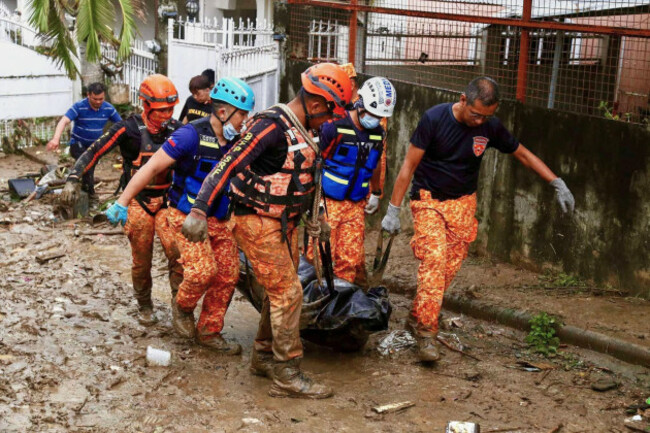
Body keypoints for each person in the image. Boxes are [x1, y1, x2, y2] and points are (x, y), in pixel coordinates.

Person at [181, 63, 352, 399]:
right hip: (256, 220)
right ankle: (287, 371)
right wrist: (199, 209)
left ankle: (263, 356)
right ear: (317, 104)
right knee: (289, 294)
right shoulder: (270, 126)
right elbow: (228, 163)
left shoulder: (308, 129)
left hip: (283, 222)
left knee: (280, 292)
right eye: (330, 113)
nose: (331, 121)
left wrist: (318, 214)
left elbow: (307, 176)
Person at [381, 77, 575, 362]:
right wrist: (392, 210)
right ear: (463, 100)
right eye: (476, 114)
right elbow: (408, 166)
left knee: (447, 269)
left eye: (487, 116)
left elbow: (521, 153)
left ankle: (417, 315)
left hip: (463, 203)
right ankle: (425, 333)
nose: (480, 121)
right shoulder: (434, 118)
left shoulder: (489, 126)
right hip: (429, 201)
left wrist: (556, 181)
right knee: (434, 261)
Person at [109, 77, 255, 354]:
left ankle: (209, 332)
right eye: (242, 115)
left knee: (227, 276)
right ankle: (182, 307)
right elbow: (151, 167)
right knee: (202, 272)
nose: (245, 121)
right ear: (223, 112)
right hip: (185, 217)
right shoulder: (190, 135)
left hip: (221, 219)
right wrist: (123, 201)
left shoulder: (239, 140)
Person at [60, 74, 183, 326]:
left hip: (167, 200)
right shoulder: (128, 129)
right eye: (161, 110)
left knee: (178, 254)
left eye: (171, 108)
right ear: (146, 105)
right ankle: (144, 304)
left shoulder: (178, 130)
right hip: (136, 200)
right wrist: (73, 178)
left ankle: (180, 306)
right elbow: (95, 151)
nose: (167, 114)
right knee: (141, 259)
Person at [310, 76, 397, 285]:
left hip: (356, 205)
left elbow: (374, 163)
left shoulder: (378, 133)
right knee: (320, 257)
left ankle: (339, 306)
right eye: (372, 113)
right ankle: (312, 303)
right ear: (360, 103)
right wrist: (314, 201)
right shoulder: (333, 127)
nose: (375, 119)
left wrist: (376, 193)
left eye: (379, 116)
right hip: (328, 202)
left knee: (349, 260)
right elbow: (313, 160)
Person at [47, 83, 122, 197]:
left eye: (100, 99)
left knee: (88, 168)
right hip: (77, 144)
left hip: (95, 146)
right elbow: (64, 121)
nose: (98, 102)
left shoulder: (108, 108)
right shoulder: (79, 106)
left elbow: (121, 125)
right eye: (95, 99)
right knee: (87, 164)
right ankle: (89, 193)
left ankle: (82, 190)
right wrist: (55, 139)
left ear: (104, 96)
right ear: (88, 95)